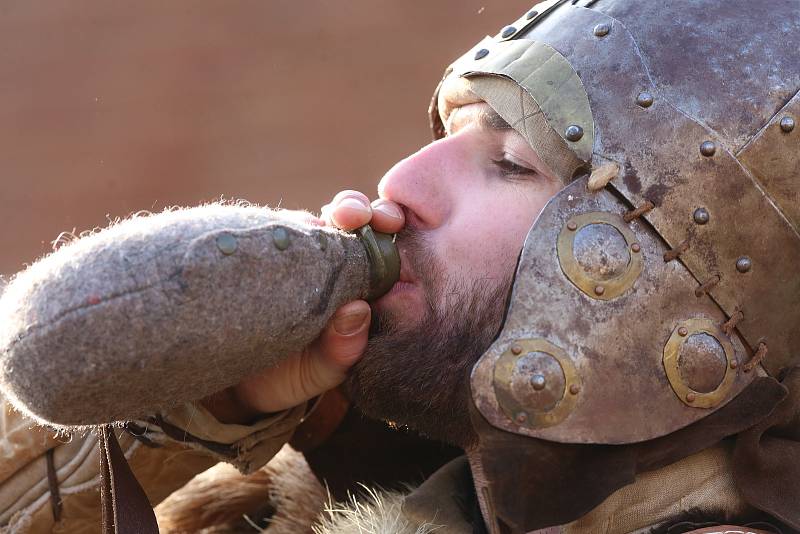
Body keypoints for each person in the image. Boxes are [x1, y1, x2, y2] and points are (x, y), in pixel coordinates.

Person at [1, 0, 799, 532]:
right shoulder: (334, 481)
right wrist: (211, 410)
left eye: (512, 162)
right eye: (450, 132)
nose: (400, 183)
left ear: (691, 297)